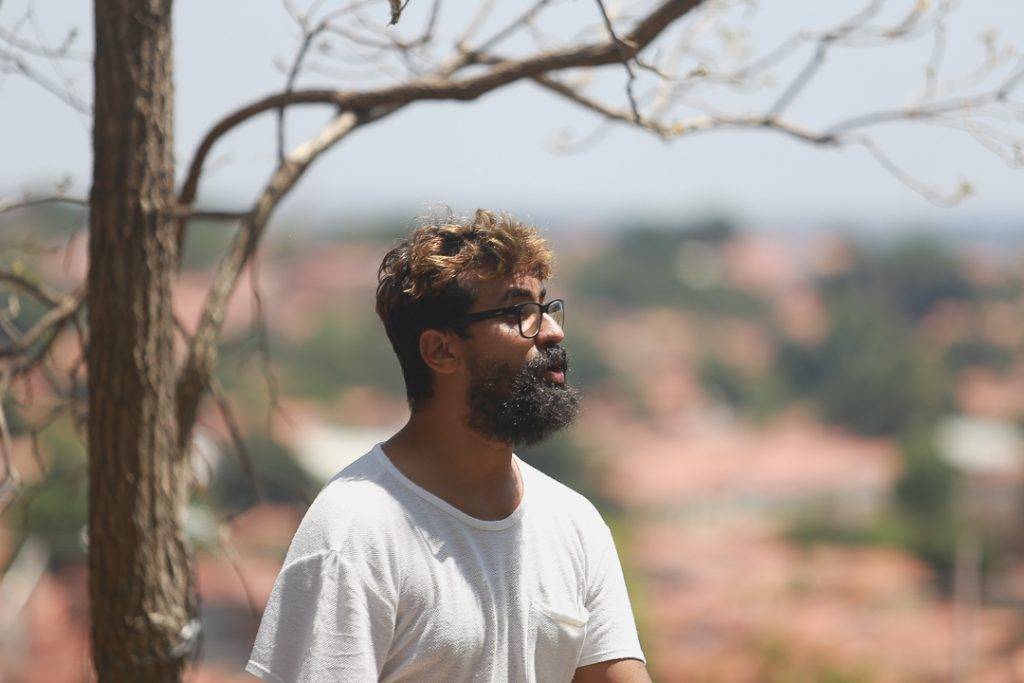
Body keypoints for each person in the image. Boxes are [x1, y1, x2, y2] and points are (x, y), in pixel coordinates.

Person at [246, 209, 650, 682]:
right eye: (518, 312)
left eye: (545, 307)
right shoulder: (355, 531)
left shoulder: (574, 524)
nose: (551, 331)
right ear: (440, 350)